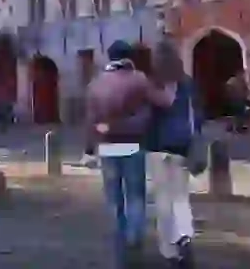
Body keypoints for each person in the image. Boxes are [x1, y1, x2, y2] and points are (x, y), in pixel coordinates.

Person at [86, 40, 177, 267]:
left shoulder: (96, 83)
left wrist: (89, 148)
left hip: (107, 146)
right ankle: (134, 237)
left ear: (109, 57)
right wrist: (170, 87)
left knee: (114, 198)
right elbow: (164, 102)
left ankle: (120, 242)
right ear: (129, 57)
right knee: (135, 196)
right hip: (133, 144)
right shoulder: (138, 79)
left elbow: (90, 120)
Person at [146, 39, 201, 267]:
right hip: (181, 145)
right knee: (180, 196)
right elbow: (197, 113)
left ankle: (169, 249)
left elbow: (147, 117)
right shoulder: (187, 83)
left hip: (158, 146)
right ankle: (185, 236)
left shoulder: (152, 83)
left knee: (163, 199)